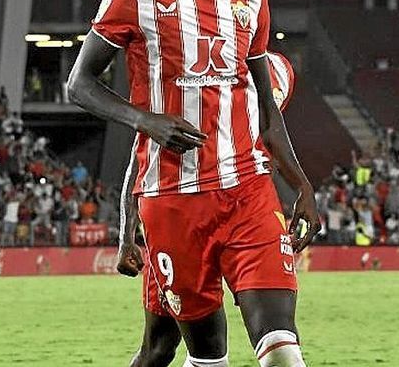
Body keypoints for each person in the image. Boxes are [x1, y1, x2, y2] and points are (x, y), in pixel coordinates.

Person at [67, 0, 318, 366]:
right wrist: (148, 121)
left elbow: (266, 113)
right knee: (204, 354)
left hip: (247, 190)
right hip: (173, 202)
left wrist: (301, 187)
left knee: (283, 351)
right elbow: (79, 84)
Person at [117, 50, 296, 367]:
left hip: (243, 209)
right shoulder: (188, 73)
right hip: (178, 217)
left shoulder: (278, 71)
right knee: (160, 347)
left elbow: (269, 130)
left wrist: (300, 187)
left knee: (275, 346)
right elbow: (141, 158)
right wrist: (127, 234)